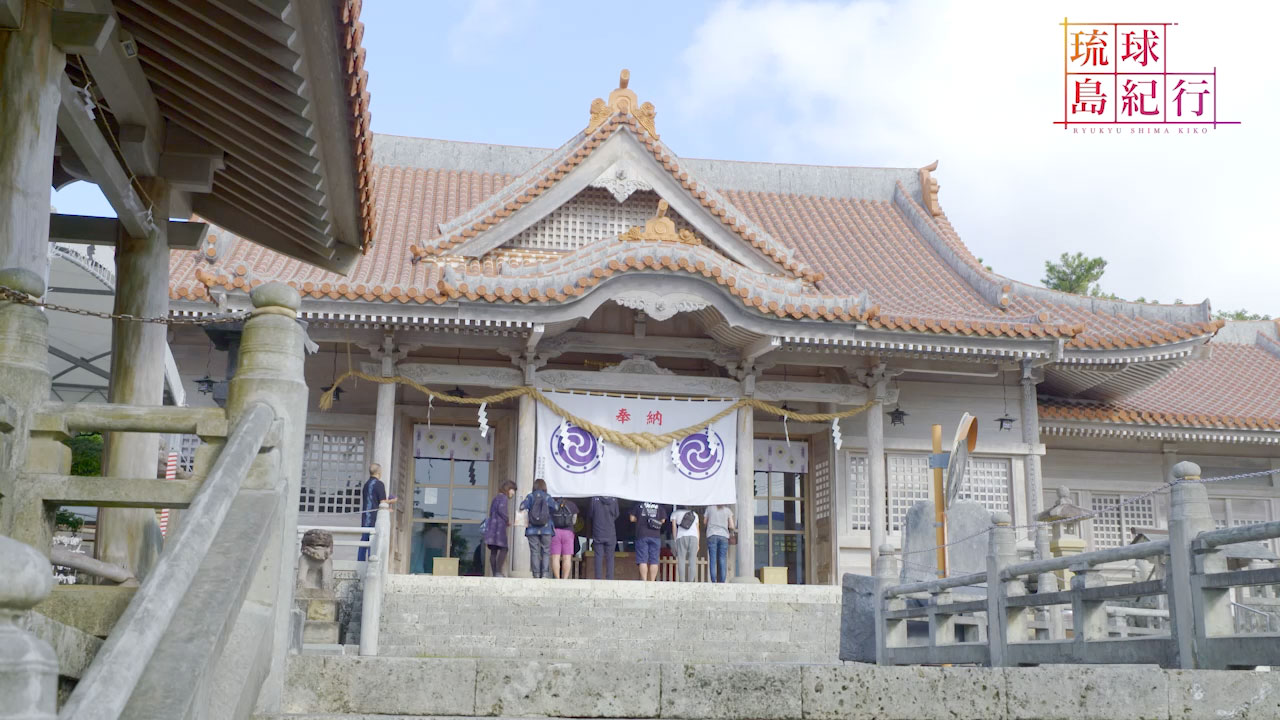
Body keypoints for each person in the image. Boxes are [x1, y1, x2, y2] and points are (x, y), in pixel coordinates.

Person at [519, 479, 555, 578]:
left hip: (532, 528)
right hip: (546, 528)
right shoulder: (547, 497)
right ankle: (544, 574)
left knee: (534, 551)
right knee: (546, 551)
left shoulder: (530, 496)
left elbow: (522, 507)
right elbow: (555, 507)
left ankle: (536, 574)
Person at [358, 463, 395, 561]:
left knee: (364, 539)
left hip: (366, 516)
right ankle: (372, 560)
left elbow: (373, 500)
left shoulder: (366, 484)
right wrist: (392, 501)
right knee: (374, 540)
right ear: (379, 472)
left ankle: (360, 561)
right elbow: (382, 502)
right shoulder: (379, 484)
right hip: (374, 517)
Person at [483, 480, 516, 577]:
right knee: (504, 549)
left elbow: (491, 512)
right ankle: (498, 571)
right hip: (499, 528)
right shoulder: (503, 498)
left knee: (493, 551)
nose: (513, 493)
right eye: (513, 490)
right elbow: (502, 511)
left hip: (492, 528)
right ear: (508, 489)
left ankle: (495, 573)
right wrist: (508, 520)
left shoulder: (496, 498)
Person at [629, 500, 668, 582]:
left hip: (642, 534)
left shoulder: (638, 505)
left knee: (642, 559)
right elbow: (663, 520)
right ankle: (652, 581)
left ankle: (644, 580)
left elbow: (631, 518)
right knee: (654, 560)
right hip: (655, 535)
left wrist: (640, 520)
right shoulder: (659, 506)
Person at [588, 496, 619, 579]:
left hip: (598, 531)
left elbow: (591, 514)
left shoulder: (594, 499)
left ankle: (598, 578)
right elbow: (616, 514)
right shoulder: (614, 500)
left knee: (598, 556)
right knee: (610, 557)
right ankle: (610, 578)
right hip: (610, 532)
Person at [705, 503, 736, 583]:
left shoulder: (709, 508)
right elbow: (732, 525)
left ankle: (713, 580)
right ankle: (722, 581)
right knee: (722, 558)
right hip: (724, 536)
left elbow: (705, 522)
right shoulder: (728, 511)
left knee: (712, 558)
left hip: (712, 534)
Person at [549, 496, 579, 579]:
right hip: (568, 532)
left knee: (555, 557)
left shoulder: (553, 504)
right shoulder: (572, 505)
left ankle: (557, 578)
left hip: (555, 532)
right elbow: (574, 520)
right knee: (567, 557)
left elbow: (549, 518)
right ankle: (565, 578)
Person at [671, 505, 700, 582]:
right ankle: (691, 581)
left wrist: (675, 539)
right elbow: (697, 529)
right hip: (694, 537)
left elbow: (674, 527)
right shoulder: (694, 514)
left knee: (681, 559)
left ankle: (682, 581)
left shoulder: (675, 513)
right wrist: (698, 542)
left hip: (681, 536)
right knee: (692, 560)